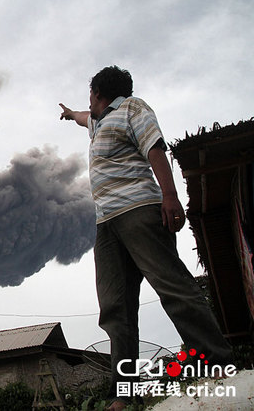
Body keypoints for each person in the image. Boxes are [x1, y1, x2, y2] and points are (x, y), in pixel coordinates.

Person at [59, 66, 232, 411]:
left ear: (97, 92)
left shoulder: (132, 109)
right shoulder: (97, 121)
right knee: (115, 306)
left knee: (172, 285)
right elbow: (82, 117)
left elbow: (154, 149)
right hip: (106, 224)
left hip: (140, 210)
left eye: (88, 95)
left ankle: (215, 366)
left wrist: (170, 196)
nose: (86, 103)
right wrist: (69, 114)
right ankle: (125, 393)